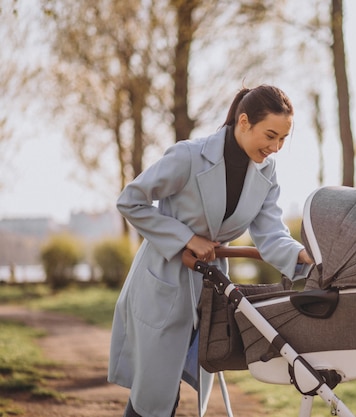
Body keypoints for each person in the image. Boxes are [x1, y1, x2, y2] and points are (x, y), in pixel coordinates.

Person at [108, 84, 313, 417]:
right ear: (244, 122)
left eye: (283, 140)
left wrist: (303, 256)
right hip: (163, 282)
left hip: (209, 291)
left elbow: (271, 232)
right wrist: (187, 238)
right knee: (154, 394)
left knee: (171, 390)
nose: (275, 147)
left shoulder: (266, 172)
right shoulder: (188, 156)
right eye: (270, 135)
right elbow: (130, 200)